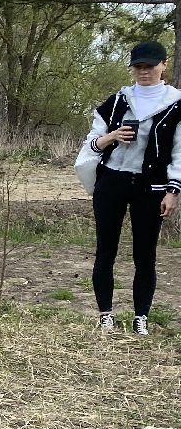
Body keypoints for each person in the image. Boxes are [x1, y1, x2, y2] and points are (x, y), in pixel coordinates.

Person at [75, 40, 181, 335]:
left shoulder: (176, 103)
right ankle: (105, 314)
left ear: (163, 65)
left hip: (150, 186)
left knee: (145, 255)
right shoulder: (117, 101)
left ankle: (141, 317)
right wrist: (112, 136)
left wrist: (173, 190)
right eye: (138, 66)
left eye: (150, 65)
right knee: (105, 250)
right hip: (112, 181)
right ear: (132, 69)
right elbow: (93, 143)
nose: (144, 71)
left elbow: (179, 151)